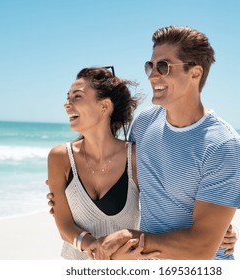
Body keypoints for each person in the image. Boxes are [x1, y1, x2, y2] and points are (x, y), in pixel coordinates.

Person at [47, 25, 240, 260]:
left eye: (163, 66)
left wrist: (218, 232)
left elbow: (201, 248)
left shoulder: (224, 146)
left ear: (195, 73)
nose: (152, 75)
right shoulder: (144, 124)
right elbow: (127, 181)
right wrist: (67, 197)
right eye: (150, 66)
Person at [47, 67, 158, 259]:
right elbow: (64, 226)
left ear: (104, 106)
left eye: (77, 97)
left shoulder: (135, 157)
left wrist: (220, 231)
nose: (67, 104)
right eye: (67, 97)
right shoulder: (60, 157)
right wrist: (95, 246)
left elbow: (165, 208)